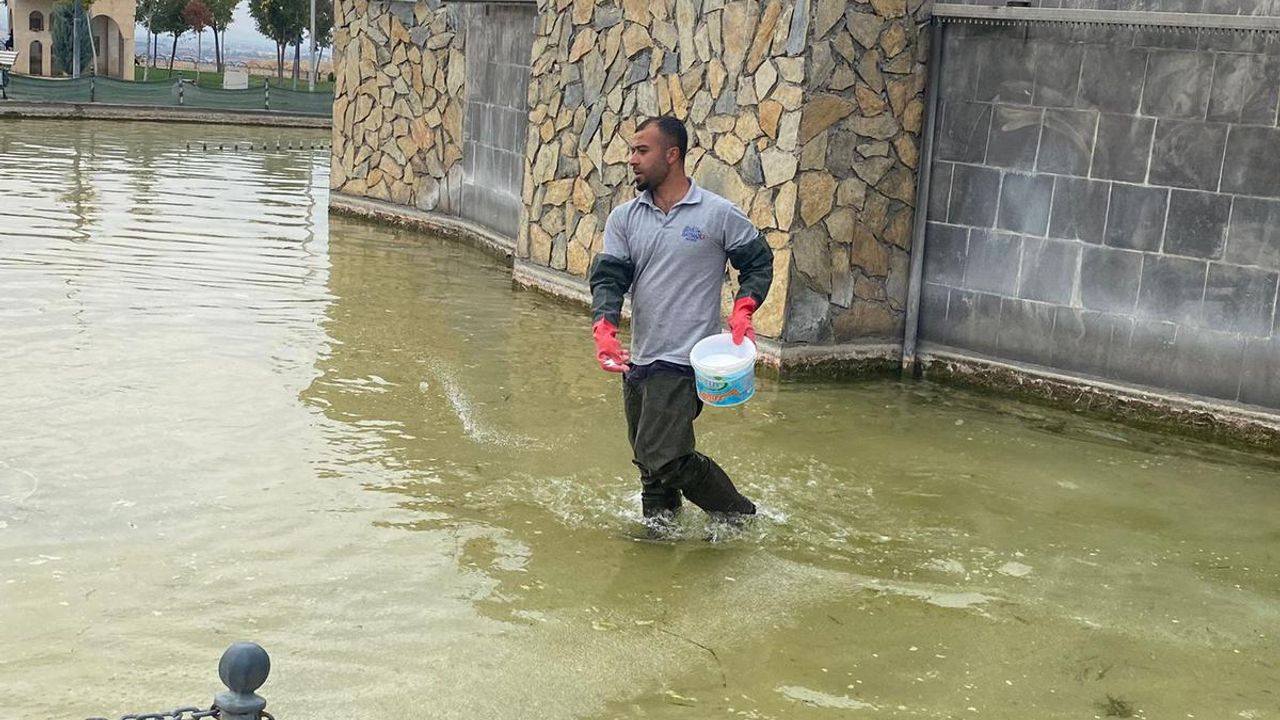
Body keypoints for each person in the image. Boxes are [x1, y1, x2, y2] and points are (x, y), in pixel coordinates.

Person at [588, 116, 774, 536]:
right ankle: (660, 534)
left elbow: (758, 261)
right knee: (648, 463)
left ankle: (737, 513)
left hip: (686, 360)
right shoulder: (624, 218)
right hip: (640, 360)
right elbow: (610, 278)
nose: (631, 160)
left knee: (665, 456)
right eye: (632, 150)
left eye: (642, 151)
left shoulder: (718, 214)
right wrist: (604, 327)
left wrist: (744, 307)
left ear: (672, 155)